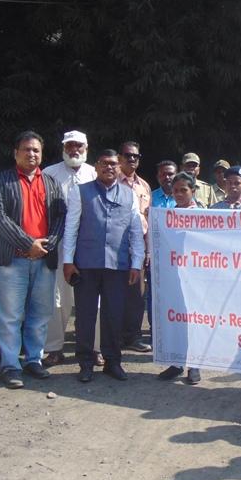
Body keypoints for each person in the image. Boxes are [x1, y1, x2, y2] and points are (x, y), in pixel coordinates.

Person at [0, 131, 67, 388]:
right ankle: (11, 365)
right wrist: (28, 244)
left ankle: (34, 359)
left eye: (36, 150)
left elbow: (59, 217)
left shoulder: (51, 182)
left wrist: (46, 245)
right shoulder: (1, 180)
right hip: (13, 260)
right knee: (9, 315)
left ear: (41, 154)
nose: (31, 154)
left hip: (43, 260)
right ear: (16, 153)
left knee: (40, 314)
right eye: (26, 149)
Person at [63, 149, 145, 383]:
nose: (109, 168)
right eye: (104, 163)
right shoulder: (81, 192)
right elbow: (71, 228)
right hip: (86, 265)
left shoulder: (129, 195)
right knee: (86, 316)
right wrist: (68, 261)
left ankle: (113, 362)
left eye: (113, 164)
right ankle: (86, 363)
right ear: (96, 166)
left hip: (118, 266)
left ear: (119, 167)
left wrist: (136, 263)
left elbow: (136, 232)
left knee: (113, 316)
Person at [41, 130, 98, 366]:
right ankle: (54, 348)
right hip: (60, 243)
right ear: (63, 148)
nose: (74, 150)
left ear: (86, 148)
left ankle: (94, 349)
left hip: (89, 245)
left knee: (95, 299)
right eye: (70, 146)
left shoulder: (95, 173)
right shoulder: (48, 174)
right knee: (58, 300)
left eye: (79, 146)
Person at [157, 172, 207, 385]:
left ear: (193, 191)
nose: (178, 194)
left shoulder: (204, 216)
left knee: (194, 321)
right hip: (173, 276)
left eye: (183, 190)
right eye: (175, 190)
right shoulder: (167, 215)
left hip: (197, 277)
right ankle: (177, 362)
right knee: (176, 318)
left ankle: (194, 365)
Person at [118, 141, 153, 354]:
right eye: (128, 155)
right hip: (116, 245)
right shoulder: (111, 182)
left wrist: (148, 250)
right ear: (119, 157)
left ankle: (133, 336)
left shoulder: (144, 186)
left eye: (136, 156)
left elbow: (147, 220)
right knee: (113, 292)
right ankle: (113, 337)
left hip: (138, 246)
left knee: (137, 295)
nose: (132, 159)